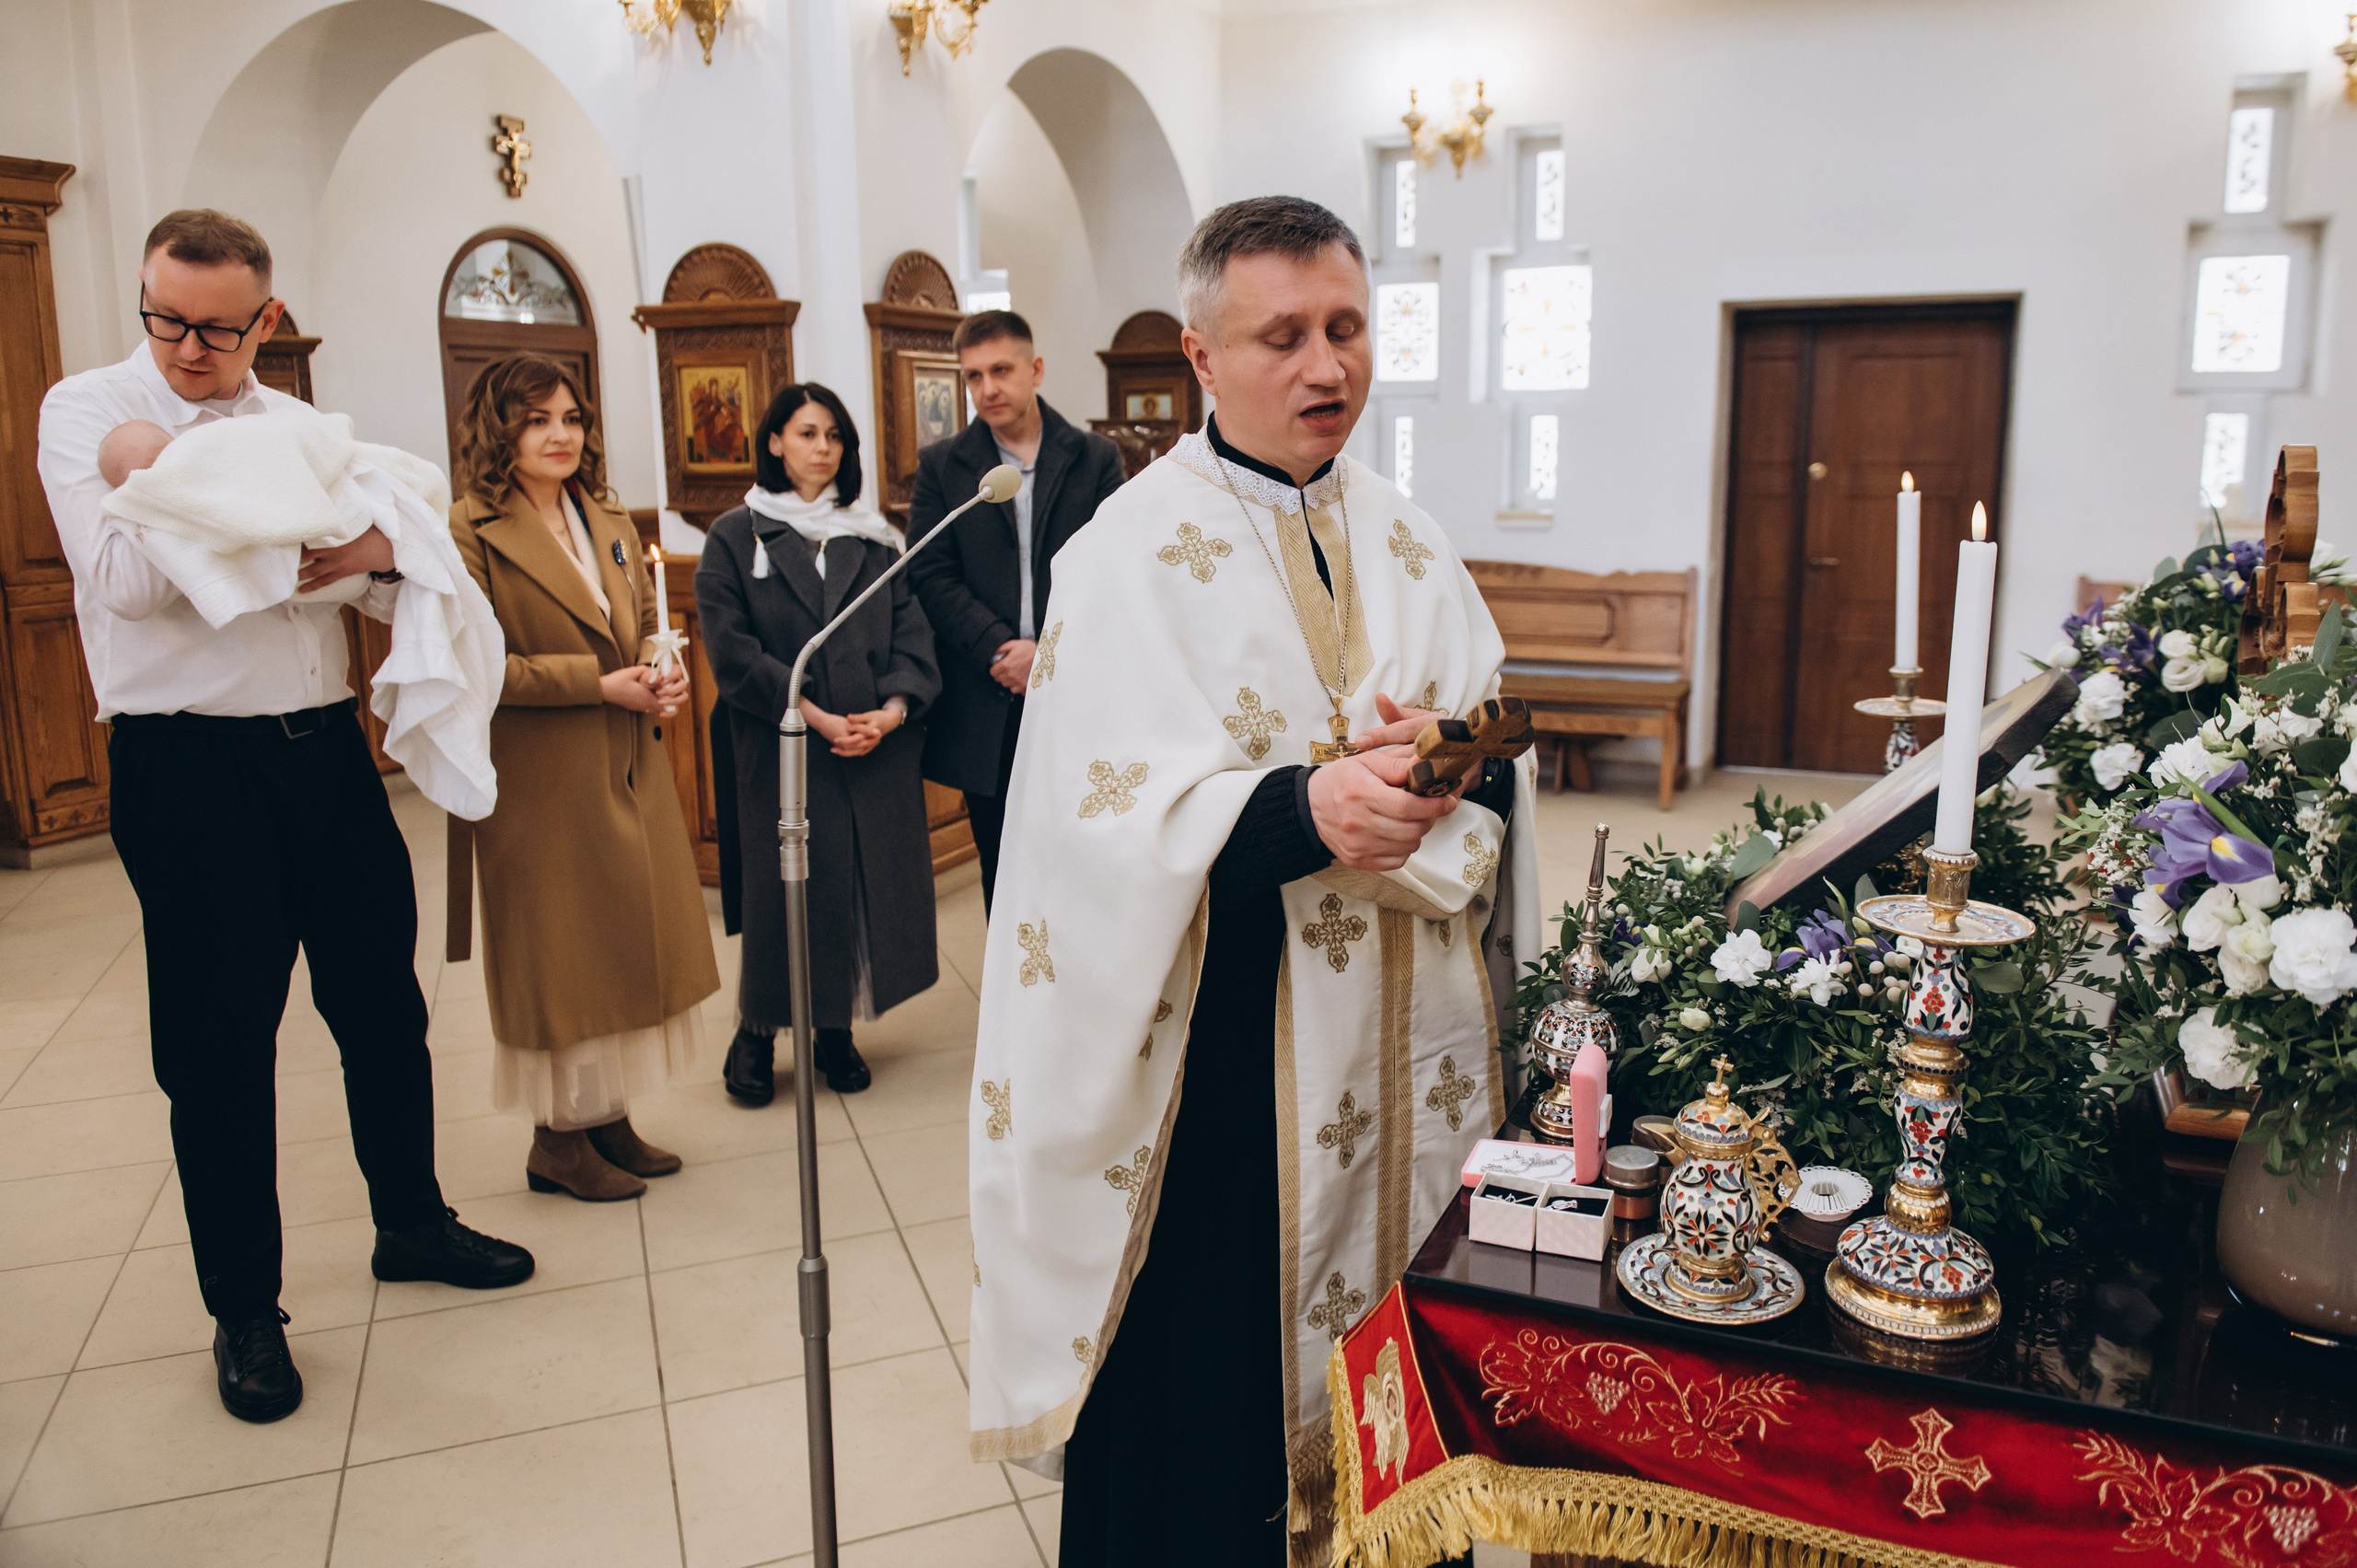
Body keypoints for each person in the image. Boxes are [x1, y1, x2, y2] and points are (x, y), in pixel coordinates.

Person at [965, 197, 1538, 1564]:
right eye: (1283, 335)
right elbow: (1087, 833)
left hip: (1403, 1072)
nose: (1325, 366)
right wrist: (1298, 807)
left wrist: (1445, 767)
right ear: (1201, 355)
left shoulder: (1411, 538)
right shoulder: (1123, 556)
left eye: (1345, 328)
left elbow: (1501, 747)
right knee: (1205, 1438)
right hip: (1221, 1087)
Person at [35, 209, 533, 1426]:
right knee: (218, 1046)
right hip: (186, 767)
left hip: (327, 756)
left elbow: (385, 575)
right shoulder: (88, 411)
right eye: (165, 317)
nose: (186, 346)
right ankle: (245, 1309)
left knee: (382, 1001)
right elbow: (129, 583)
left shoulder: (304, 428)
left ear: (266, 315)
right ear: (144, 297)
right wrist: (283, 534)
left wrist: (324, 542)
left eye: (215, 325)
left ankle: (409, 1220)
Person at [446, 354, 722, 1201]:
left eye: (569, 417)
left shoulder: (600, 510)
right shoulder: (468, 529)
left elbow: (641, 616)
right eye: (537, 420)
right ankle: (555, 1142)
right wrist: (593, 684)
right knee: (558, 951)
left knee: (619, 938)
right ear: (500, 428)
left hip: (625, 760)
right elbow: (474, 664)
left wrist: (657, 666)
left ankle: (605, 1118)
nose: (559, 434)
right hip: (539, 774)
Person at [697, 383, 942, 1102]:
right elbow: (732, 651)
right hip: (784, 748)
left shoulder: (872, 535)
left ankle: (835, 1028)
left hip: (869, 749)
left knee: (852, 890)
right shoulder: (734, 536)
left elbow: (912, 633)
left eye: (834, 435)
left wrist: (892, 710)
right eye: (806, 433)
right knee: (785, 893)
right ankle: (755, 1031)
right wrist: (811, 714)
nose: (822, 448)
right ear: (774, 441)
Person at [905, 310, 1126, 912]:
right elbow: (929, 573)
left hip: (1075, 691)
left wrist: (1049, 653)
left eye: (1000, 370)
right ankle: (1012, 1000)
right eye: (973, 376)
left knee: (1082, 862)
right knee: (1003, 871)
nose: (987, 389)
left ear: (1035, 369)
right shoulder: (943, 465)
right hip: (987, 694)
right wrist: (1001, 649)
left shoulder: (1093, 457)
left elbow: (1113, 570)